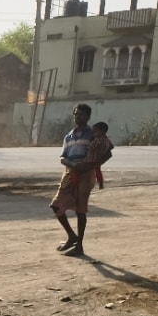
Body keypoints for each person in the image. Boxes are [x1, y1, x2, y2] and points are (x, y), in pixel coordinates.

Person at [50, 103, 94, 257]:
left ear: (88, 116)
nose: (77, 117)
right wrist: (72, 164)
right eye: (75, 114)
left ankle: (79, 245)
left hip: (85, 174)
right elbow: (63, 156)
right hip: (70, 172)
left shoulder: (92, 135)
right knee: (56, 205)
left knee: (80, 210)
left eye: (81, 114)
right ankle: (71, 236)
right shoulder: (69, 136)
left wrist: (86, 165)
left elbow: (101, 152)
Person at [89, 121, 115, 189]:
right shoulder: (106, 139)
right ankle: (101, 184)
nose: (93, 134)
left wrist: (90, 140)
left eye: (95, 132)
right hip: (99, 159)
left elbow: (90, 147)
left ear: (102, 131)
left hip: (92, 158)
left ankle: (90, 184)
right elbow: (112, 146)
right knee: (98, 172)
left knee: (90, 172)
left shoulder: (97, 140)